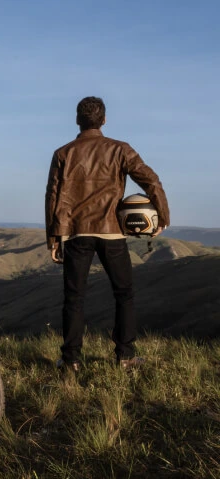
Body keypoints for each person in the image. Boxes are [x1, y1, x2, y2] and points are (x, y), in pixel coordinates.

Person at [45, 96, 170, 371]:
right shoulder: (120, 149)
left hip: (76, 233)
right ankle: (125, 357)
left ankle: (71, 361)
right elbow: (151, 180)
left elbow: (53, 197)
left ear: (78, 120)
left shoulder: (63, 153)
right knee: (124, 294)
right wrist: (163, 216)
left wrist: (54, 238)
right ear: (103, 120)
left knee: (74, 298)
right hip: (112, 232)